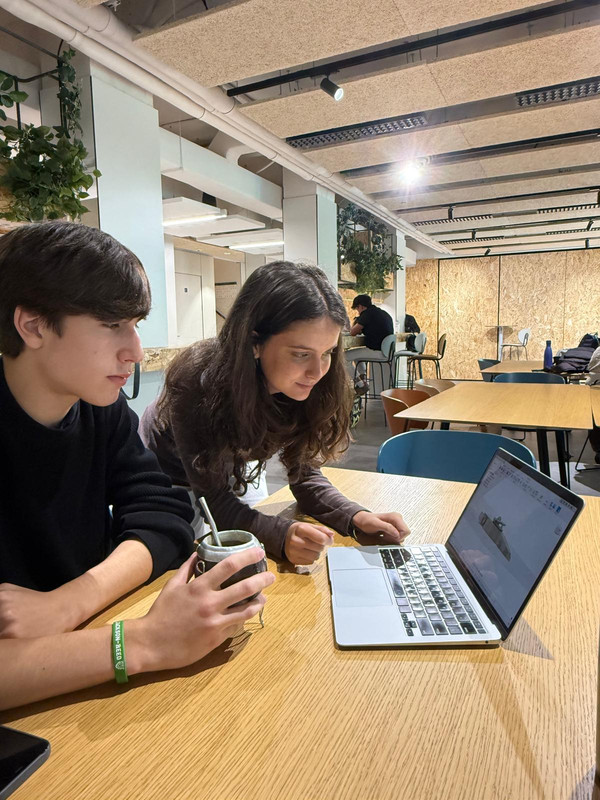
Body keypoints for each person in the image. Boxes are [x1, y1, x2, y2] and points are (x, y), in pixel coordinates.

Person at [0, 221, 273, 710]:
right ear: (33, 325)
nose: (136, 352)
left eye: (136, 325)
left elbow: (163, 514)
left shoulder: (101, 411)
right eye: (111, 325)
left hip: (90, 658)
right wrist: (144, 643)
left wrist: (71, 601)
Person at [141, 262, 410, 565]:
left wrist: (355, 516)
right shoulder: (196, 383)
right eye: (300, 354)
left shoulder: (299, 383)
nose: (317, 371)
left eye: (327, 353)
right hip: (171, 475)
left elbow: (305, 477)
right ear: (255, 342)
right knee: (184, 560)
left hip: (236, 461)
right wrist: (279, 534)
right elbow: (215, 501)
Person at [344, 294, 394, 384]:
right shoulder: (383, 313)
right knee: (357, 356)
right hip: (387, 351)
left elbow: (352, 332)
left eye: (357, 308)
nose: (358, 312)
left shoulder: (367, 314)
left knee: (343, 357)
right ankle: (363, 380)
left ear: (361, 306)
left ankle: (360, 385)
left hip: (377, 351)